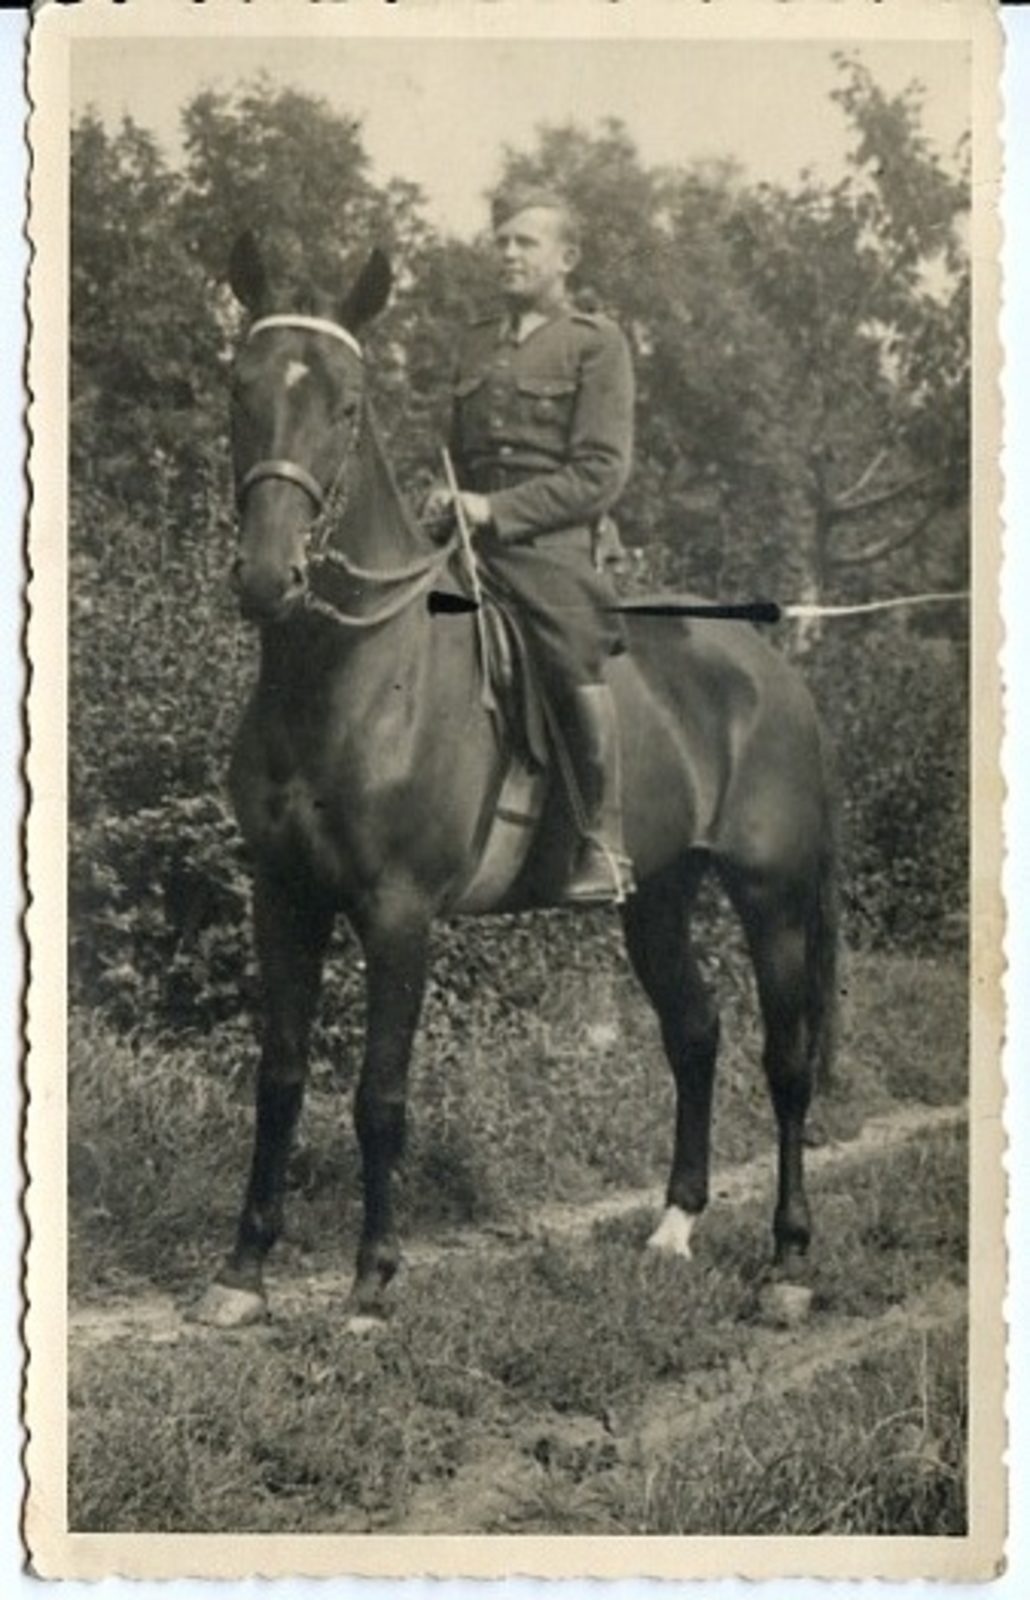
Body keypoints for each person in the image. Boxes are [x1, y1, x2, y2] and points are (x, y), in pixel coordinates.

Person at [426, 186, 636, 903]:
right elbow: (456, 453)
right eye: (502, 242)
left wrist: (496, 509)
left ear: (566, 258)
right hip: (467, 540)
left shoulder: (595, 343)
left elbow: (600, 474)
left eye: (526, 243)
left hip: (551, 548)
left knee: (568, 646)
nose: (508, 254)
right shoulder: (475, 342)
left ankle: (602, 839)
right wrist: (443, 496)